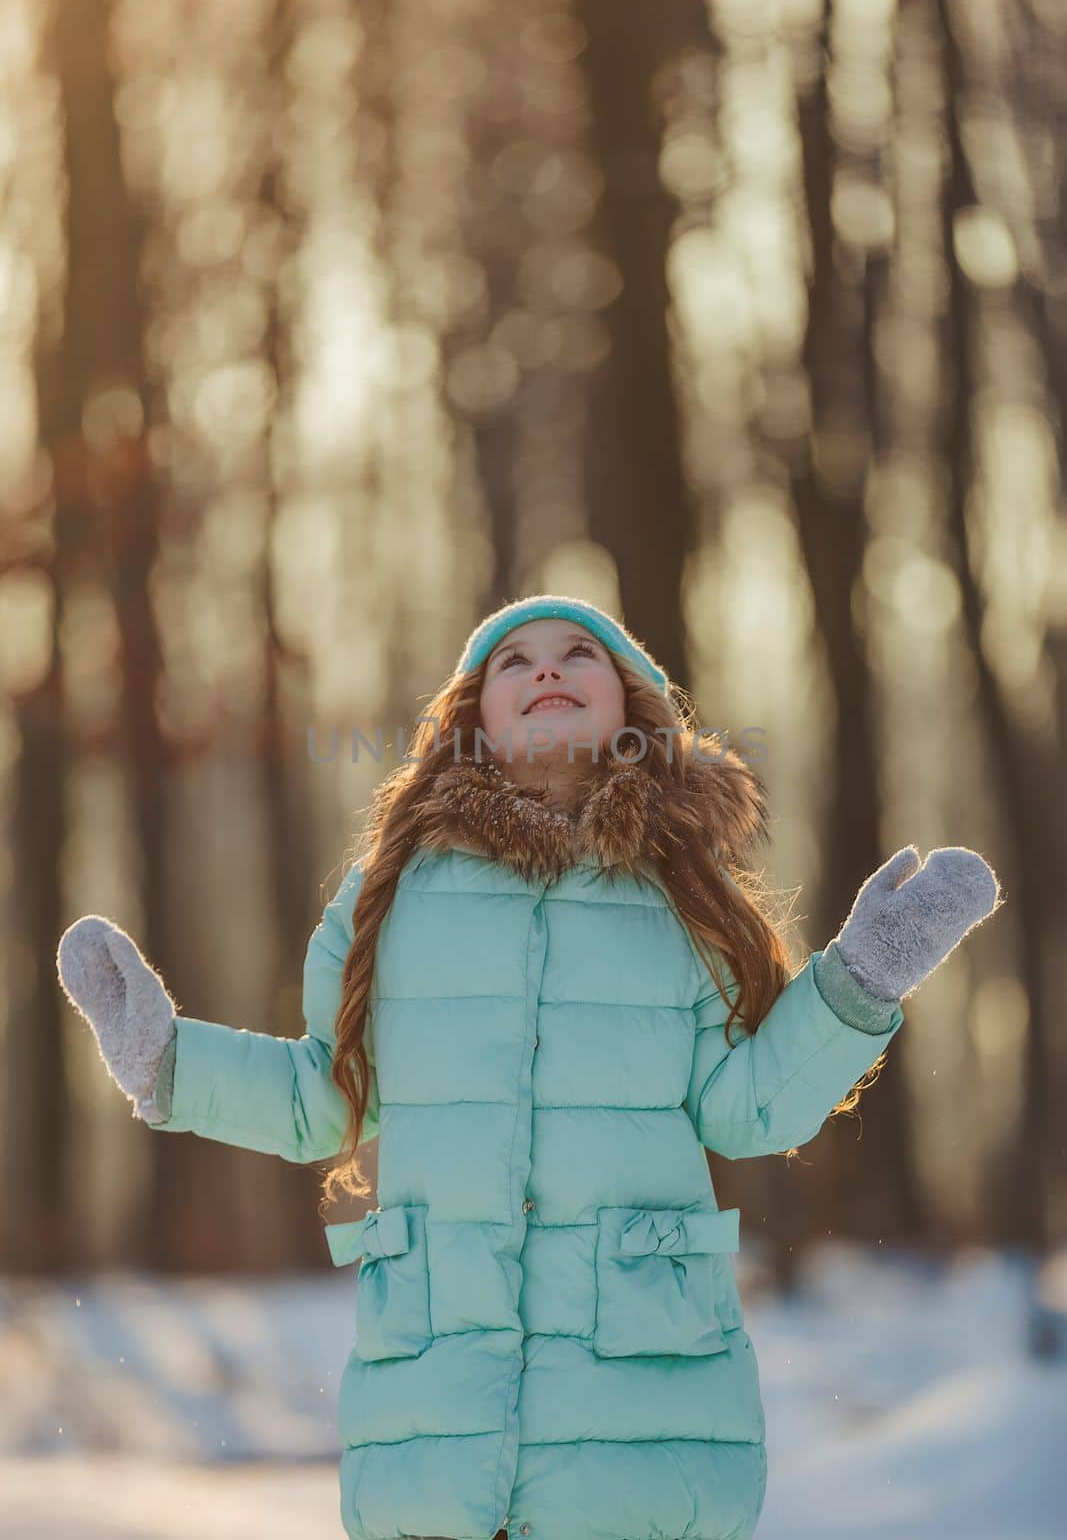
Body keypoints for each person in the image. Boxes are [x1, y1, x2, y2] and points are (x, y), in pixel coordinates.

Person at [57, 594, 1003, 1540]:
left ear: (633, 709)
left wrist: (861, 980)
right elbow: (323, 1098)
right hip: (437, 1410)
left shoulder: (678, 895)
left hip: (641, 1413)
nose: (545, 670)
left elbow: (747, 1111)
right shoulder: (393, 897)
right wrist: (168, 1060)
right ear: (472, 720)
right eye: (513, 663)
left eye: (576, 654)